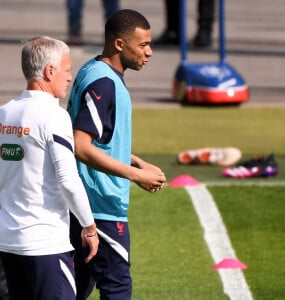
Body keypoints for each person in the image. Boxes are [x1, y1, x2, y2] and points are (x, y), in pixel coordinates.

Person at [67, 9, 167, 300]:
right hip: (101, 207)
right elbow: (80, 144)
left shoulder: (94, 70)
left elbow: (100, 137)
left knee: (77, 286)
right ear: (120, 45)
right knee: (117, 286)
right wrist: (137, 175)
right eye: (143, 45)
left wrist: (134, 159)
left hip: (84, 202)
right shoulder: (104, 84)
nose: (149, 52)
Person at [0, 36, 99, 300]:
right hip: (45, 244)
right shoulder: (54, 116)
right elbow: (68, 179)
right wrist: (89, 228)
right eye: (67, 69)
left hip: (8, 244)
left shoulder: (3, 113)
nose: (69, 77)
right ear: (50, 71)